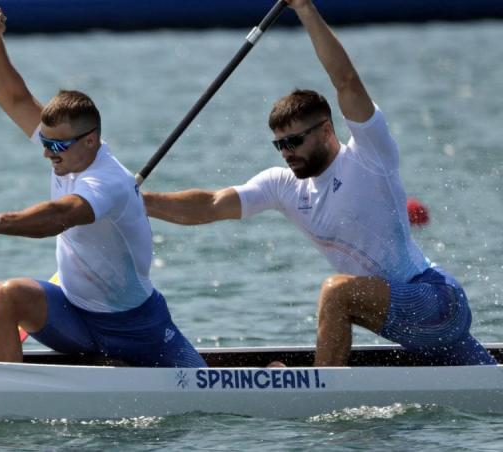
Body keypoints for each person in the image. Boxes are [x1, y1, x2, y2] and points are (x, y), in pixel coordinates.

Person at [143, 0, 496, 367]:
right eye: (280, 144)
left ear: (327, 130)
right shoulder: (283, 185)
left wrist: (305, 8)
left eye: (295, 141)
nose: (286, 152)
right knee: (489, 382)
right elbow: (213, 204)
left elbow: (346, 81)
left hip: (434, 301)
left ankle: (320, 387)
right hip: (405, 321)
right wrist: (142, 202)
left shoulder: (368, 156)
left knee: (336, 293)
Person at [0, 6, 207, 368]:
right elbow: (15, 99)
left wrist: (0, 223)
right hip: (75, 315)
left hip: (136, 327)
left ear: (90, 141)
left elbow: (63, 215)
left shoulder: (108, 181)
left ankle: (111, 363)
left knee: (202, 386)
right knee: (5, 295)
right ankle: (6, 391)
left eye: (57, 145)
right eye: (46, 141)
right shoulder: (66, 149)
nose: (46, 152)